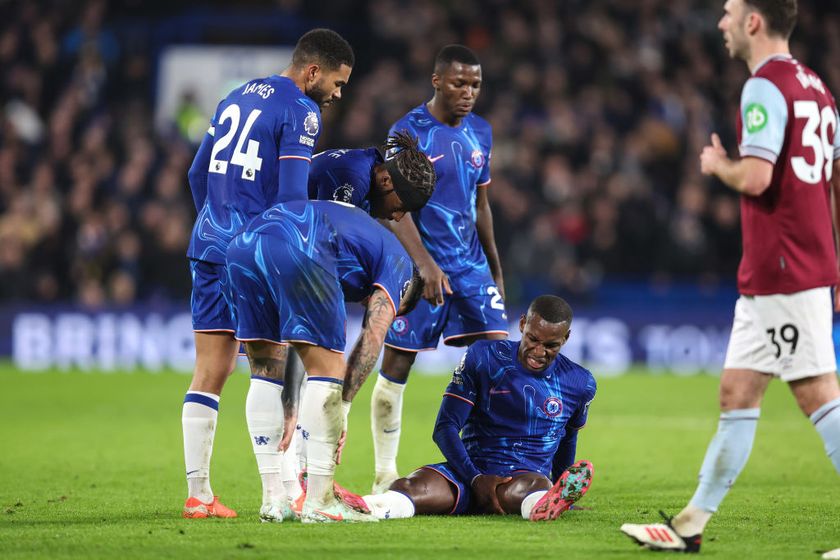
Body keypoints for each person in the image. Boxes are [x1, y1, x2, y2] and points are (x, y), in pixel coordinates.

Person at [621, 0, 840, 553]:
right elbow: (834, 185)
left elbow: (760, 177)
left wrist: (720, 166)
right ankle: (691, 523)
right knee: (736, 392)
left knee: (819, 396)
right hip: (788, 267)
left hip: (786, 268)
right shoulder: (818, 88)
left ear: (753, 21)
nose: (720, 23)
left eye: (728, 12)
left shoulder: (766, 85)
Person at [181, 28, 354, 519]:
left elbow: (197, 174)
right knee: (269, 369)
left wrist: (216, 220)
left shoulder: (234, 95)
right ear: (312, 71)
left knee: (209, 372)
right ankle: (283, 491)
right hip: (257, 252)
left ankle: (199, 495)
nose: (338, 94)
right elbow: (293, 200)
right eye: (337, 83)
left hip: (210, 243)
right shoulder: (301, 110)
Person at [224, 198, 429, 523]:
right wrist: (343, 407)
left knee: (265, 372)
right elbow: (373, 336)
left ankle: (274, 499)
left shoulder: (359, 247)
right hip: (302, 243)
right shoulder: (402, 270)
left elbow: (298, 341)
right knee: (330, 370)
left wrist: (291, 404)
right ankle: (321, 501)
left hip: (244, 244)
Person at [365, 44, 509, 494]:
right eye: (459, 83)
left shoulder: (480, 132)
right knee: (397, 366)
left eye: (476, 85)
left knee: (503, 363)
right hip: (421, 269)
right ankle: (385, 472)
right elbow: (392, 209)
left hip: (471, 268)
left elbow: (481, 203)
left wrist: (495, 267)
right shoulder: (407, 132)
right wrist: (424, 264)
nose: (468, 93)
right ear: (436, 81)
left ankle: (502, 465)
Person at [360, 295, 595, 520]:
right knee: (408, 486)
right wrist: (476, 479)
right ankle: (362, 507)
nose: (539, 351)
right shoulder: (484, 357)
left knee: (536, 486)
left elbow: (568, 438)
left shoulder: (579, 382)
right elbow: (445, 427)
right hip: (466, 474)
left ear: (566, 338)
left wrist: (565, 494)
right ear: (523, 324)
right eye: (533, 339)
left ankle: (544, 502)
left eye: (551, 345)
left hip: (520, 481)